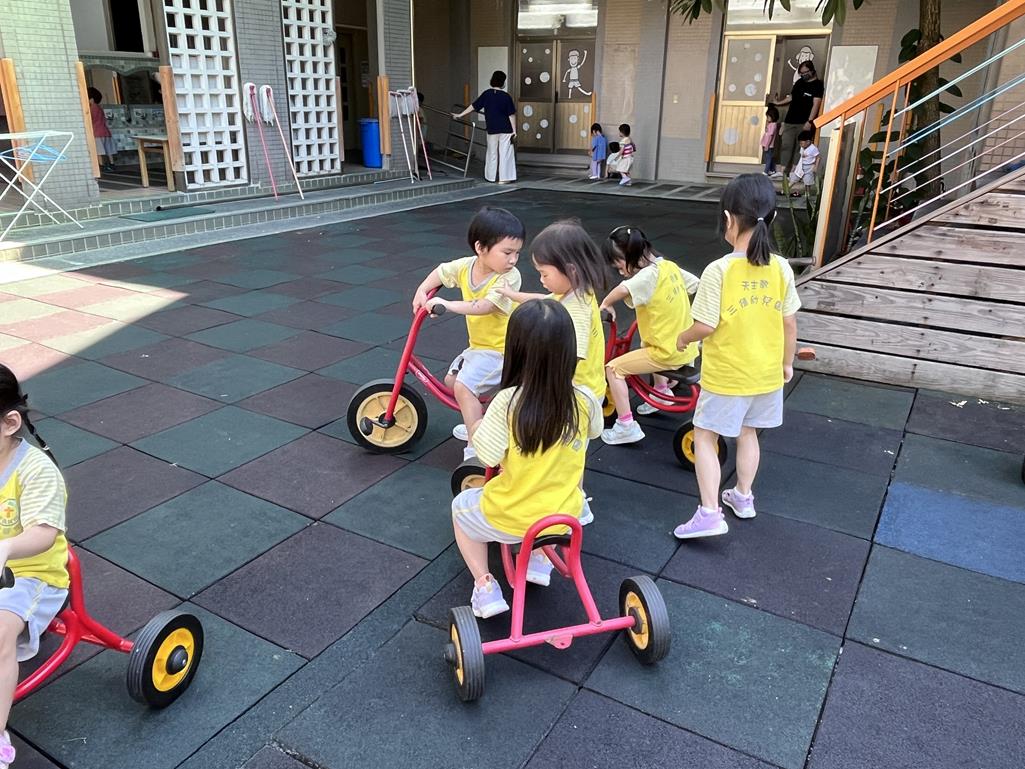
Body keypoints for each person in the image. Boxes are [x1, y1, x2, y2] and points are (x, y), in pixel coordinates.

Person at [451, 300, 604, 617]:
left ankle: (485, 586)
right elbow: (595, 431)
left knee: (461, 509)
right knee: (561, 489)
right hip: (567, 515)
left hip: (515, 515)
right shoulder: (585, 400)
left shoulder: (507, 402)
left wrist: (477, 426)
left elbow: (487, 455)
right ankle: (540, 559)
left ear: (516, 351)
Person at [673, 174, 800, 539]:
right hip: (766, 374)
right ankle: (743, 496)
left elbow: (705, 326)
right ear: (771, 218)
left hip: (728, 375)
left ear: (728, 219)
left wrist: (683, 338)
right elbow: (789, 323)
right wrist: (787, 363)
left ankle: (709, 512)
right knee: (749, 433)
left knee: (704, 435)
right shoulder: (781, 267)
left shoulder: (719, 270)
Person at [412, 207, 525, 459]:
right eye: (507, 252)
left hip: (503, 351)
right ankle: (479, 421)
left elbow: (486, 306)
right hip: (480, 348)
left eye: (517, 253)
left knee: (464, 387)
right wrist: (422, 290)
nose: (513, 260)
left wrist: (448, 305)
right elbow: (441, 272)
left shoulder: (509, 277)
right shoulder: (466, 266)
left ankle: (477, 449)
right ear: (480, 248)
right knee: (452, 382)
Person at [0, 364, 70, 768]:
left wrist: (6, 548)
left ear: (9, 424)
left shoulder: (35, 470)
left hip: (31, 573)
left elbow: (44, 533)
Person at [599, 227, 700, 445]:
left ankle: (625, 426)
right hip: (686, 348)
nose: (620, 272)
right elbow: (696, 285)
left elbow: (623, 289)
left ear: (630, 255)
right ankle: (660, 391)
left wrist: (606, 303)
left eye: (620, 266)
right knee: (648, 343)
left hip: (665, 353)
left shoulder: (647, 275)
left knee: (613, 369)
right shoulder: (669, 267)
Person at [497, 219, 607, 400]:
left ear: (571, 270)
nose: (541, 279)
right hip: (585, 387)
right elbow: (542, 300)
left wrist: (541, 385)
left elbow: (573, 356)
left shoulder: (577, 310)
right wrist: (512, 294)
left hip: (578, 395)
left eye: (544, 273)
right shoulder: (578, 290)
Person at [453, 71, 517, 184]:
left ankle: (491, 177)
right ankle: (504, 178)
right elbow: (511, 115)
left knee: (492, 153)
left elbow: (473, 106)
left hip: (492, 128)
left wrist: (460, 115)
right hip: (506, 128)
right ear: (503, 82)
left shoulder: (487, 94)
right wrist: (514, 131)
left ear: (492, 80)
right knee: (505, 153)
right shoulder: (506, 96)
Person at [770, 61, 823, 178]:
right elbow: (791, 97)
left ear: (812, 71)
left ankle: (794, 172)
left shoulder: (818, 85)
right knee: (786, 145)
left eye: (805, 72)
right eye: (801, 73)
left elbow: (816, 104)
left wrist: (809, 121)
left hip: (804, 122)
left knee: (800, 147)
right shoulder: (799, 82)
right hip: (790, 120)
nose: (803, 75)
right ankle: (782, 170)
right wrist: (778, 103)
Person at [87, 87, 116, 173]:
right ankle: (112, 164)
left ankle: (102, 166)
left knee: (99, 151)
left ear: (91, 99)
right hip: (105, 131)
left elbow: (91, 120)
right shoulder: (99, 108)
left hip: (97, 132)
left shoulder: (92, 108)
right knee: (108, 150)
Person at [787, 130, 820, 194]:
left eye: (801, 143)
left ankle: (807, 194)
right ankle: (785, 190)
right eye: (800, 143)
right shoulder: (802, 148)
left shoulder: (813, 148)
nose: (800, 145)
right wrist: (795, 166)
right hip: (801, 166)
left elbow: (818, 157)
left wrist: (816, 166)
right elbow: (801, 157)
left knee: (808, 182)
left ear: (808, 142)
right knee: (793, 179)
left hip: (809, 167)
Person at [761, 106, 780, 176]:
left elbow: (770, 136)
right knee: (770, 158)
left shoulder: (773, 125)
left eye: (768, 117)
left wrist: (767, 145)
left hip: (768, 145)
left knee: (768, 158)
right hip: (766, 144)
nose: (767, 118)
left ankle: (766, 171)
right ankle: (772, 170)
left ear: (773, 117)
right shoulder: (770, 124)